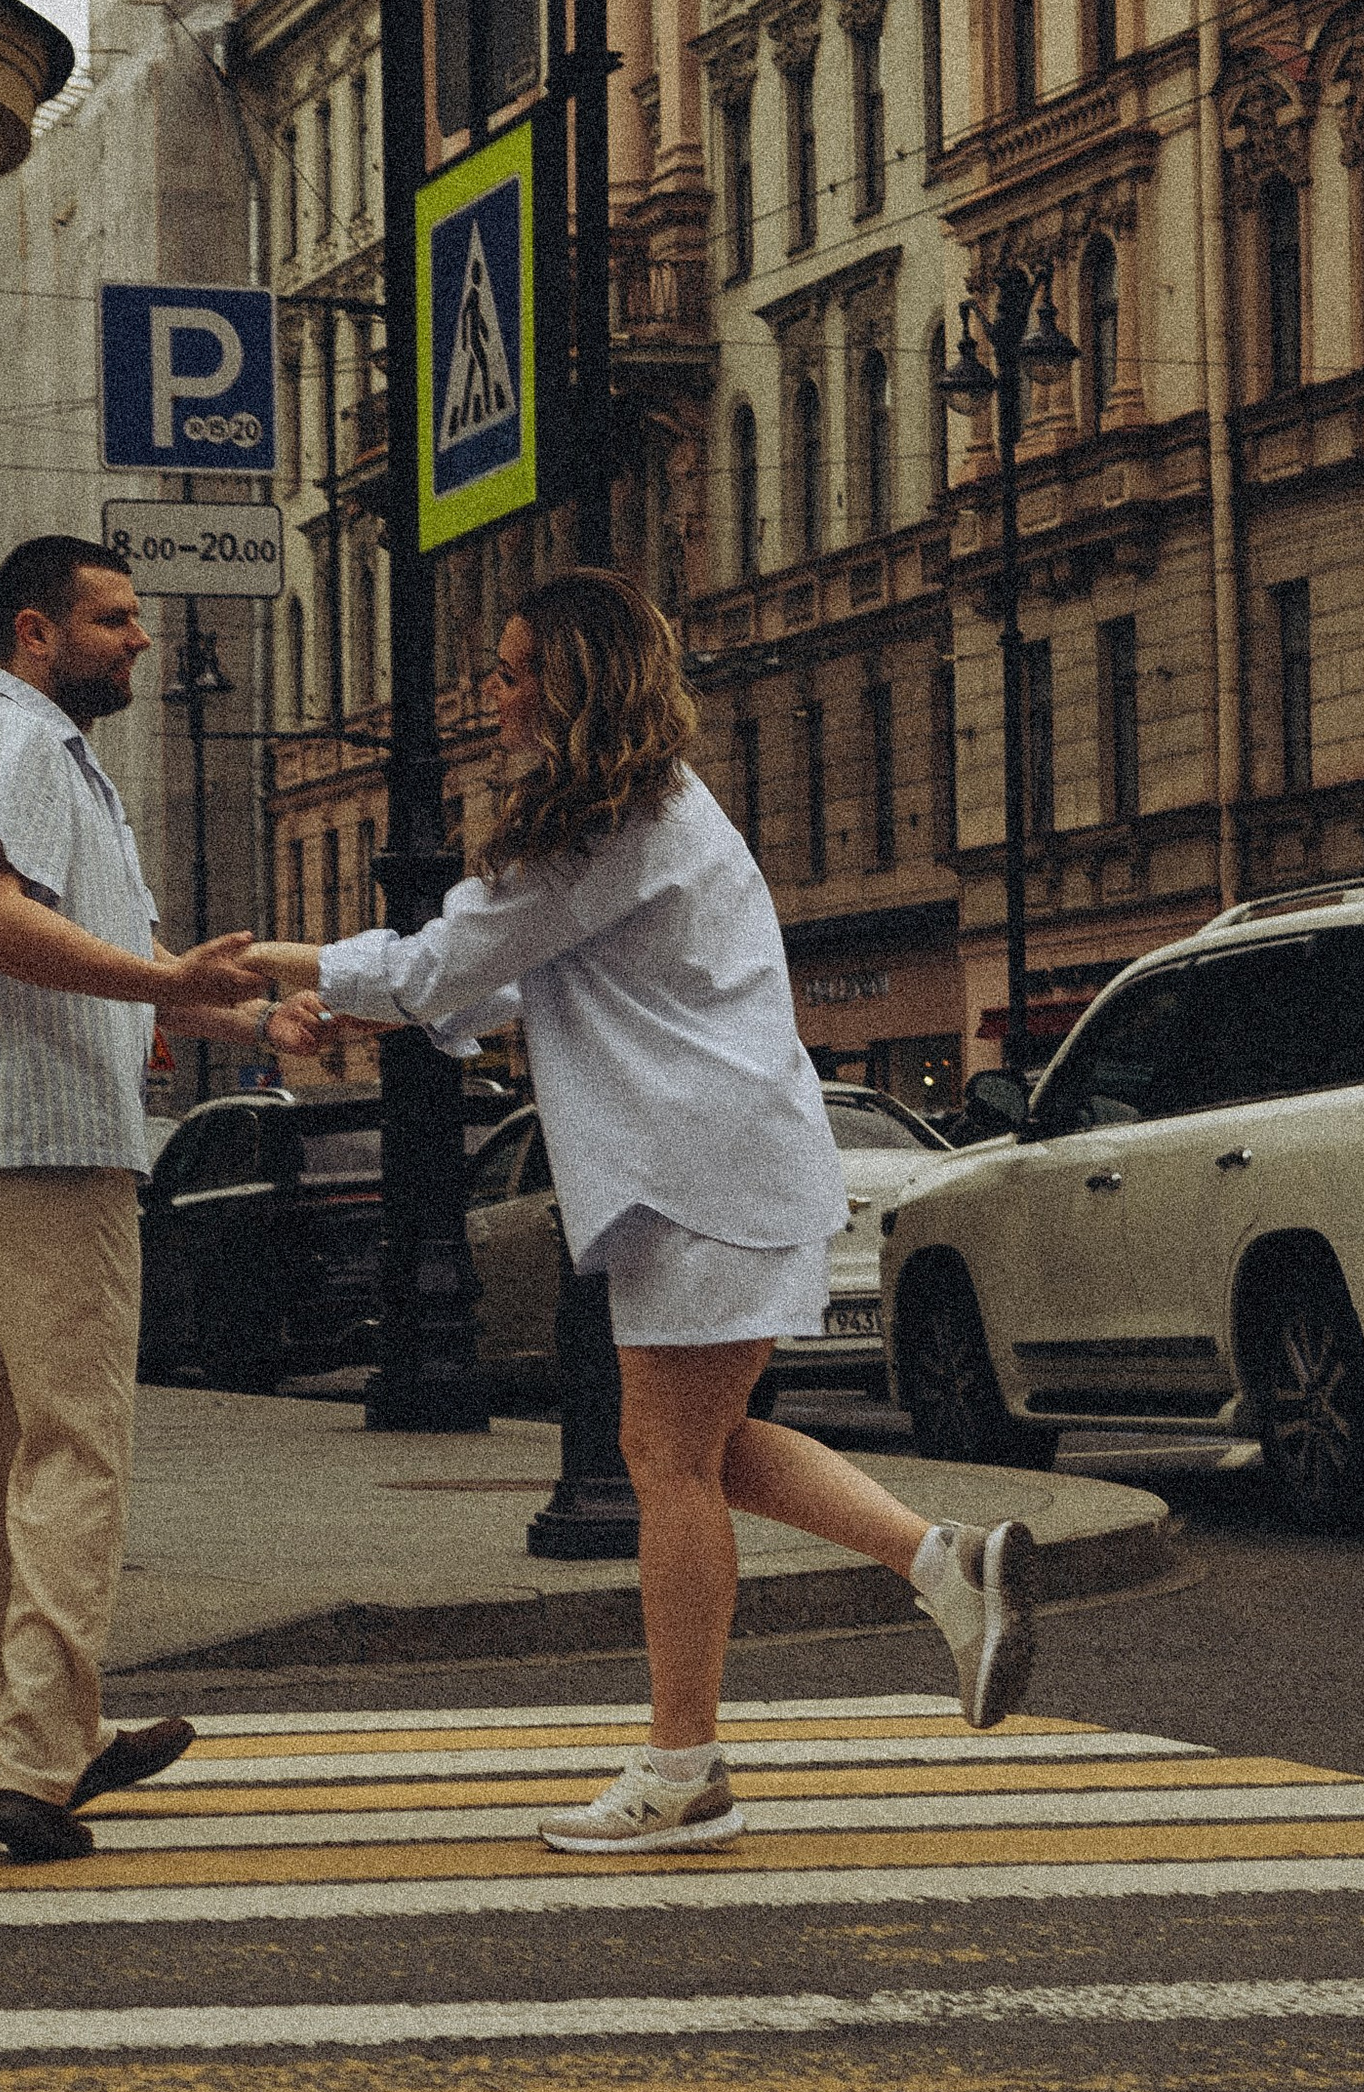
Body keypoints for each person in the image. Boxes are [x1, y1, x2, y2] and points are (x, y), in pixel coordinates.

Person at [253, 566, 1036, 1856]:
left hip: (697, 1175)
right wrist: (350, 996)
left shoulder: (598, 828)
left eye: (510, 672)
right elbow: (498, 985)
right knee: (706, 1446)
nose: (490, 696)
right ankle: (942, 1568)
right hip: (720, 1169)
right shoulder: (640, 815)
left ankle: (684, 1774)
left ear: (569, 681)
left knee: (665, 1465)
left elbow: (443, 966)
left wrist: (272, 961)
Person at [0, 535, 286, 1865]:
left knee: (12, 1464)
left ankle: (57, 1728)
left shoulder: (24, 756)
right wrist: (169, 990)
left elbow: (117, 957)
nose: (142, 640)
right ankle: (38, 1750)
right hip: (41, 1145)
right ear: (35, 633)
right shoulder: (25, 748)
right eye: (115, 620)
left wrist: (253, 1013)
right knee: (75, 1449)